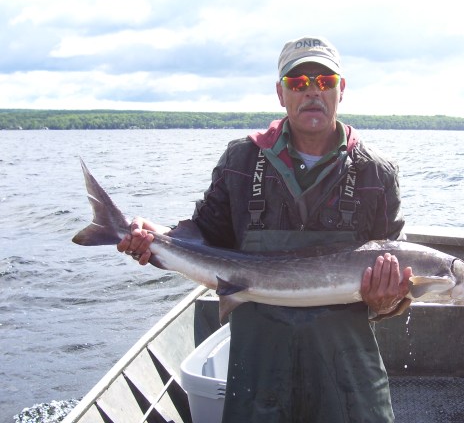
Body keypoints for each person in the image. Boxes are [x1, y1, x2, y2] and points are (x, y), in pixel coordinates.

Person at [117, 36, 412, 422]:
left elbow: (397, 280)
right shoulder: (241, 160)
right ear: (280, 92)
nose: (311, 91)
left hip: (348, 374)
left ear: (342, 90)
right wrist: (155, 239)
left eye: (324, 81)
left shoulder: (376, 173)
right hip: (258, 371)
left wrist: (387, 299)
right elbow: (202, 239)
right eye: (297, 82)